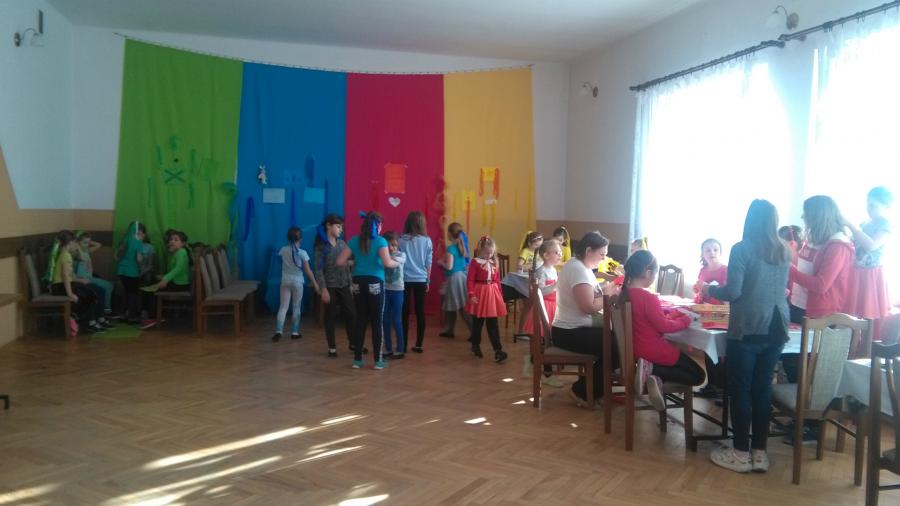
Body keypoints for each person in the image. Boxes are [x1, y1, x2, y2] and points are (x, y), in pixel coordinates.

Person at [698, 199, 792, 474]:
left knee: (740, 389)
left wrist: (709, 289)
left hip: (748, 326)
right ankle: (759, 453)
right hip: (777, 326)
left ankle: (740, 453)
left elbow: (734, 292)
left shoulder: (742, 249)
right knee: (762, 389)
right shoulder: (783, 250)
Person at [621, 250, 705, 411]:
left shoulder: (622, 295)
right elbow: (665, 327)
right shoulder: (648, 297)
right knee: (699, 376)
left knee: (684, 370)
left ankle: (655, 377)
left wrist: (671, 315)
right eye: (654, 274)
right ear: (648, 273)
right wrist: (686, 320)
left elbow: (648, 320)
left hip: (634, 351)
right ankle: (653, 370)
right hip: (652, 350)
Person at [552, 231, 616, 407]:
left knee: (616, 342)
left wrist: (605, 290)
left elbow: (590, 296)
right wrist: (608, 295)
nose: (603, 258)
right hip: (568, 332)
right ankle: (581, 391)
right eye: (601, 254)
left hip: (574, 328)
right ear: (588, 251)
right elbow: (588, 307)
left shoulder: (582, 267)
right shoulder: (577, 269)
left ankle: (593, 390)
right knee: (615, 348)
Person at [337, 211, 399, 370]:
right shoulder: (380, 241)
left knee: (361, 320)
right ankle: (378, 361)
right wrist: (397, 262)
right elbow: (387, 263)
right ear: (378, 226)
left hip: (357, 283)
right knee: (377, 321)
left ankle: (357, 360)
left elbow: (340, 261)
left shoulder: (354, 240)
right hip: (375, 282)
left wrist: (354, 263)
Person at [846, 186, 892, 339]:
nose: (869, 209)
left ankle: (867, 347)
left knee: (869, 315)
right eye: (868, 205)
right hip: (857, 272)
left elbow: (872, 245)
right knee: (853, 314)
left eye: (874, 206)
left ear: (886, 206)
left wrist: (851, 226)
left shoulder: (885, 224)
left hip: (872, 275)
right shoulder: (865, 223)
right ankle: (854, 347)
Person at [521, 239, 565, 387]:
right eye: (557, 252)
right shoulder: (541, 271)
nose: (560, 255)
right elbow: (539, 292)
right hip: (543, 308)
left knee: (545, 342)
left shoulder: (553, 270)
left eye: (560, 252)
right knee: (544, 342)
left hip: (552, 307)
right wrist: (556, 285)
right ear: (546, 255)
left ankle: (532, 362)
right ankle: (547, 374)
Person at [47, 230, 106, 334]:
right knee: (89, 295)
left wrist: (79, 281)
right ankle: (85, 322)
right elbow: (65, 276)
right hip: (60, 287)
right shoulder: (65, 256)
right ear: (70, 243)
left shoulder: (65, 254)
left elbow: (69, 276)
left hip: (63, 285)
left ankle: (87, 321)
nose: (76, 245)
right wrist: (70, 293)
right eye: (75, 242)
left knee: (91, 293)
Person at [315, 214, 357, 358]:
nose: (341, 229)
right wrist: (323, 289)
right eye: (338, 226)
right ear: (328, 226)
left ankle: (353, 343)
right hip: (330, 286)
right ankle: (332, 347)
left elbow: (347, 266)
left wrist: (351, 284)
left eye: (341, 227)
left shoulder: (343, 244)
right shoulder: (321, 246)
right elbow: (318, 270)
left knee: (351, 314)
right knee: (330, 316)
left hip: (344, 284)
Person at [465, 235, 508, 363]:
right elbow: (470, 280)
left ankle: (498, 350)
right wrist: (471, 294)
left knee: (493, 323)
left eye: (491, 253)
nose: (489, 255)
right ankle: (475, 344)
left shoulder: (495, 262)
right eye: (487, 253)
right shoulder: (475, 262)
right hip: (480, 293)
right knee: (478, 322)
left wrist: (500, 295)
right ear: (480, 250)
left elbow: (497, 280)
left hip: (492, 293)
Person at [272, 227, 319, 342]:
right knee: (296, 307)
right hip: (298, 282)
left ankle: (278, 331)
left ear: (288, 238)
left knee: (283, 306)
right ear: (300, 239)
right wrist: (315, 283)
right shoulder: (303, 253)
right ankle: (294, 332)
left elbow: (279, 260)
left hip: (285, 281)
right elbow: (308, 270)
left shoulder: (283, 250)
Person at [141, 230, 193, 329]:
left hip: (180, 285)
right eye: (171, 240)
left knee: (150, 290)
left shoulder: (181, 252)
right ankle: (152, 315)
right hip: (177, 283)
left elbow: (178, 268)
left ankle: (154, 317)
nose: (172, 241)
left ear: (183, 244)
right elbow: (174, 270)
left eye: (176, 240)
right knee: (150, 282)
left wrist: (165, 279)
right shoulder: (176, 252)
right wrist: (163, 276)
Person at [399, 211, 432, 354]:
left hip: (404, 280)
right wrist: (428, 280)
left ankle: (403, 345)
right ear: (422, 224)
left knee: (404, 313)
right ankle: (419, 344)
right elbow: (428, 263)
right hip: (421, 280)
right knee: (420, 312)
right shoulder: (427, 240)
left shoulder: (401, 240)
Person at [437, 222, 472, 338]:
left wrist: (441, 263)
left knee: (461, 307)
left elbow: (449, 266)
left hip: (455, 279)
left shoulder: (451, 248)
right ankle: (450, 330)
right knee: (452, 306)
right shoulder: (460, 247)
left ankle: (474, 332)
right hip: (461, 277)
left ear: (450, 234)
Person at [73, 232, 114, 316]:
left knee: (110, 285)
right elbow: (82, 258)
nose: (87, 245)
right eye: (85, 243)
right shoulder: (76, 253)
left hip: (89, 277)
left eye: (88, 243)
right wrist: (78, 246)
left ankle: (105, 308)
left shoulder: (86, 251)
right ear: (77, 242)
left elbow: (99, 245)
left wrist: (87, 241)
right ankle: (106, 309)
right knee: (108, 286)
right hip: (83, 279)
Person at [382, 231, 407, 359]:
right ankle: (388, 348)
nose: (391, 248)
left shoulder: (402, 255)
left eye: (393, 245)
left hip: (398, 291)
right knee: (385, 320)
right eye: (388, 246)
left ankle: (400, 349)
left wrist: (385, 256)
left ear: (398, 244)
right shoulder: (383, 256)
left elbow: (394, 261)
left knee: (396, 320)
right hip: (385, 291)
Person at [117, 221, 147, 324]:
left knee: (125, 293)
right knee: (133, 294)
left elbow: (117, 256)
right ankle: (131, 316)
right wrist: (143, 262)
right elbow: (139, 259)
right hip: (132, 272)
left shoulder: (124, 240)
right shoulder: (138, 242)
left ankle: (122, 314)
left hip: (121, 270)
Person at [693, 238, 727, 304]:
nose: (712, 252)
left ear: (720, 253)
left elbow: (728, 293)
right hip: (702, 306)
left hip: (719, 308)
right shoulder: (702, 270)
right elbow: (700, 290)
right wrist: (697, 289)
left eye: (715, 250)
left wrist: (707, 287)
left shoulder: (726, 270)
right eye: (708, 250)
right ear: (703, 255)